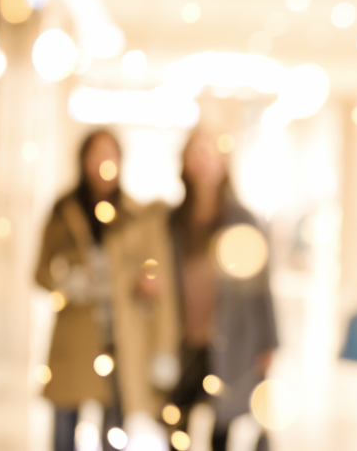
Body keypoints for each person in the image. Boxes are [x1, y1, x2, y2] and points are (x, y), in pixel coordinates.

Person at [35, 130, 180, 451]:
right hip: (74, 336)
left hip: (118, 336)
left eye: (109, 154)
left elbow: (153, 271)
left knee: (113, 431)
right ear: (83, 159)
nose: (103, 162)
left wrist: (144, 282)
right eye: (96, 154)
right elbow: (40, 271)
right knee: (63, 429)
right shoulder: (64, 210)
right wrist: (68, 283)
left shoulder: (134, 214)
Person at [167, 131, 278, 451]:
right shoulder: (173, 222)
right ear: (185, 163)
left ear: (223, 162)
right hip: (183, 343)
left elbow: (262, 289)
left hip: (231, 339)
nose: (202, 162)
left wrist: (268, 343)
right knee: (178, 426)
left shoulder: (242, 220)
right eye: (195, 154)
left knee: (222, 428)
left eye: (209, 154)